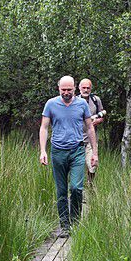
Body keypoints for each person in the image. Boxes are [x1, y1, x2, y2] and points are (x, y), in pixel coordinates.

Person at [39, 76, 98, 237]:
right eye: (63, 90)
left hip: (77, 151)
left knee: (76, 188)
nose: (66, 93)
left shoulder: (81, 104)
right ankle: (65, 226)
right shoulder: (51, 104)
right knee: (62, 191)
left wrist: (94, 153)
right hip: (58, 152)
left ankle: (76, 222)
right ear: (59, 89)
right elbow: (44, 128)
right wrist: (43, 151)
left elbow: (90, 128)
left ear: (74, 89)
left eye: (69, 90)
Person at [78, 78, 105, 185]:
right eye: (83, 88)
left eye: (88, 88)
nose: (85, 90)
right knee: (78, 165)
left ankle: (90, 184)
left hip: (91, 139)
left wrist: (96, 122)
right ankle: (79, 187)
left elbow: (102, 115)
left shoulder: (95, 100)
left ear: (91, 89)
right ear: (79, 88)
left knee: (92, 165)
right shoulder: (75, 100)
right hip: (77, 139)